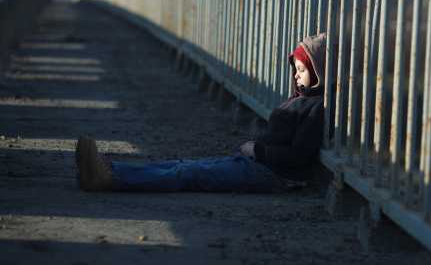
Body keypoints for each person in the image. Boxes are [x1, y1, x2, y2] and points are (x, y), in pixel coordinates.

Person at [75, 33, 327, 193]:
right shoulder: (299, 100)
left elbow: (299, 156)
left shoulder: (315, 107)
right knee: (182, 165)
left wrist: (257, 150)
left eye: (302, 69)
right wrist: (253, 151)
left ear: (319, 71)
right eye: (295, 68)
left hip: (271, 174)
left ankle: (109, 181)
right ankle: (113, 170)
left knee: (188, 173)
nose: (296, 75)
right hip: (256, 164)